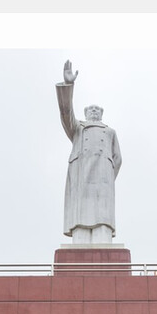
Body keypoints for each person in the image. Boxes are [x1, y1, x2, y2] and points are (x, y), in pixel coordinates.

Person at [55, 60, 122, 244]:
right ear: (85, 113)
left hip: (103, 182)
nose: (93, 111)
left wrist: (107, 176)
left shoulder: (109, 132)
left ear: (101, 114)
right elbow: (66, 115)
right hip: (81, 179)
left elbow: (118, 159)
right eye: (90, 109)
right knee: (81, 225)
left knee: (103, 223)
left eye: (97, 109)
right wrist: (69, 85)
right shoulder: (78, 129)